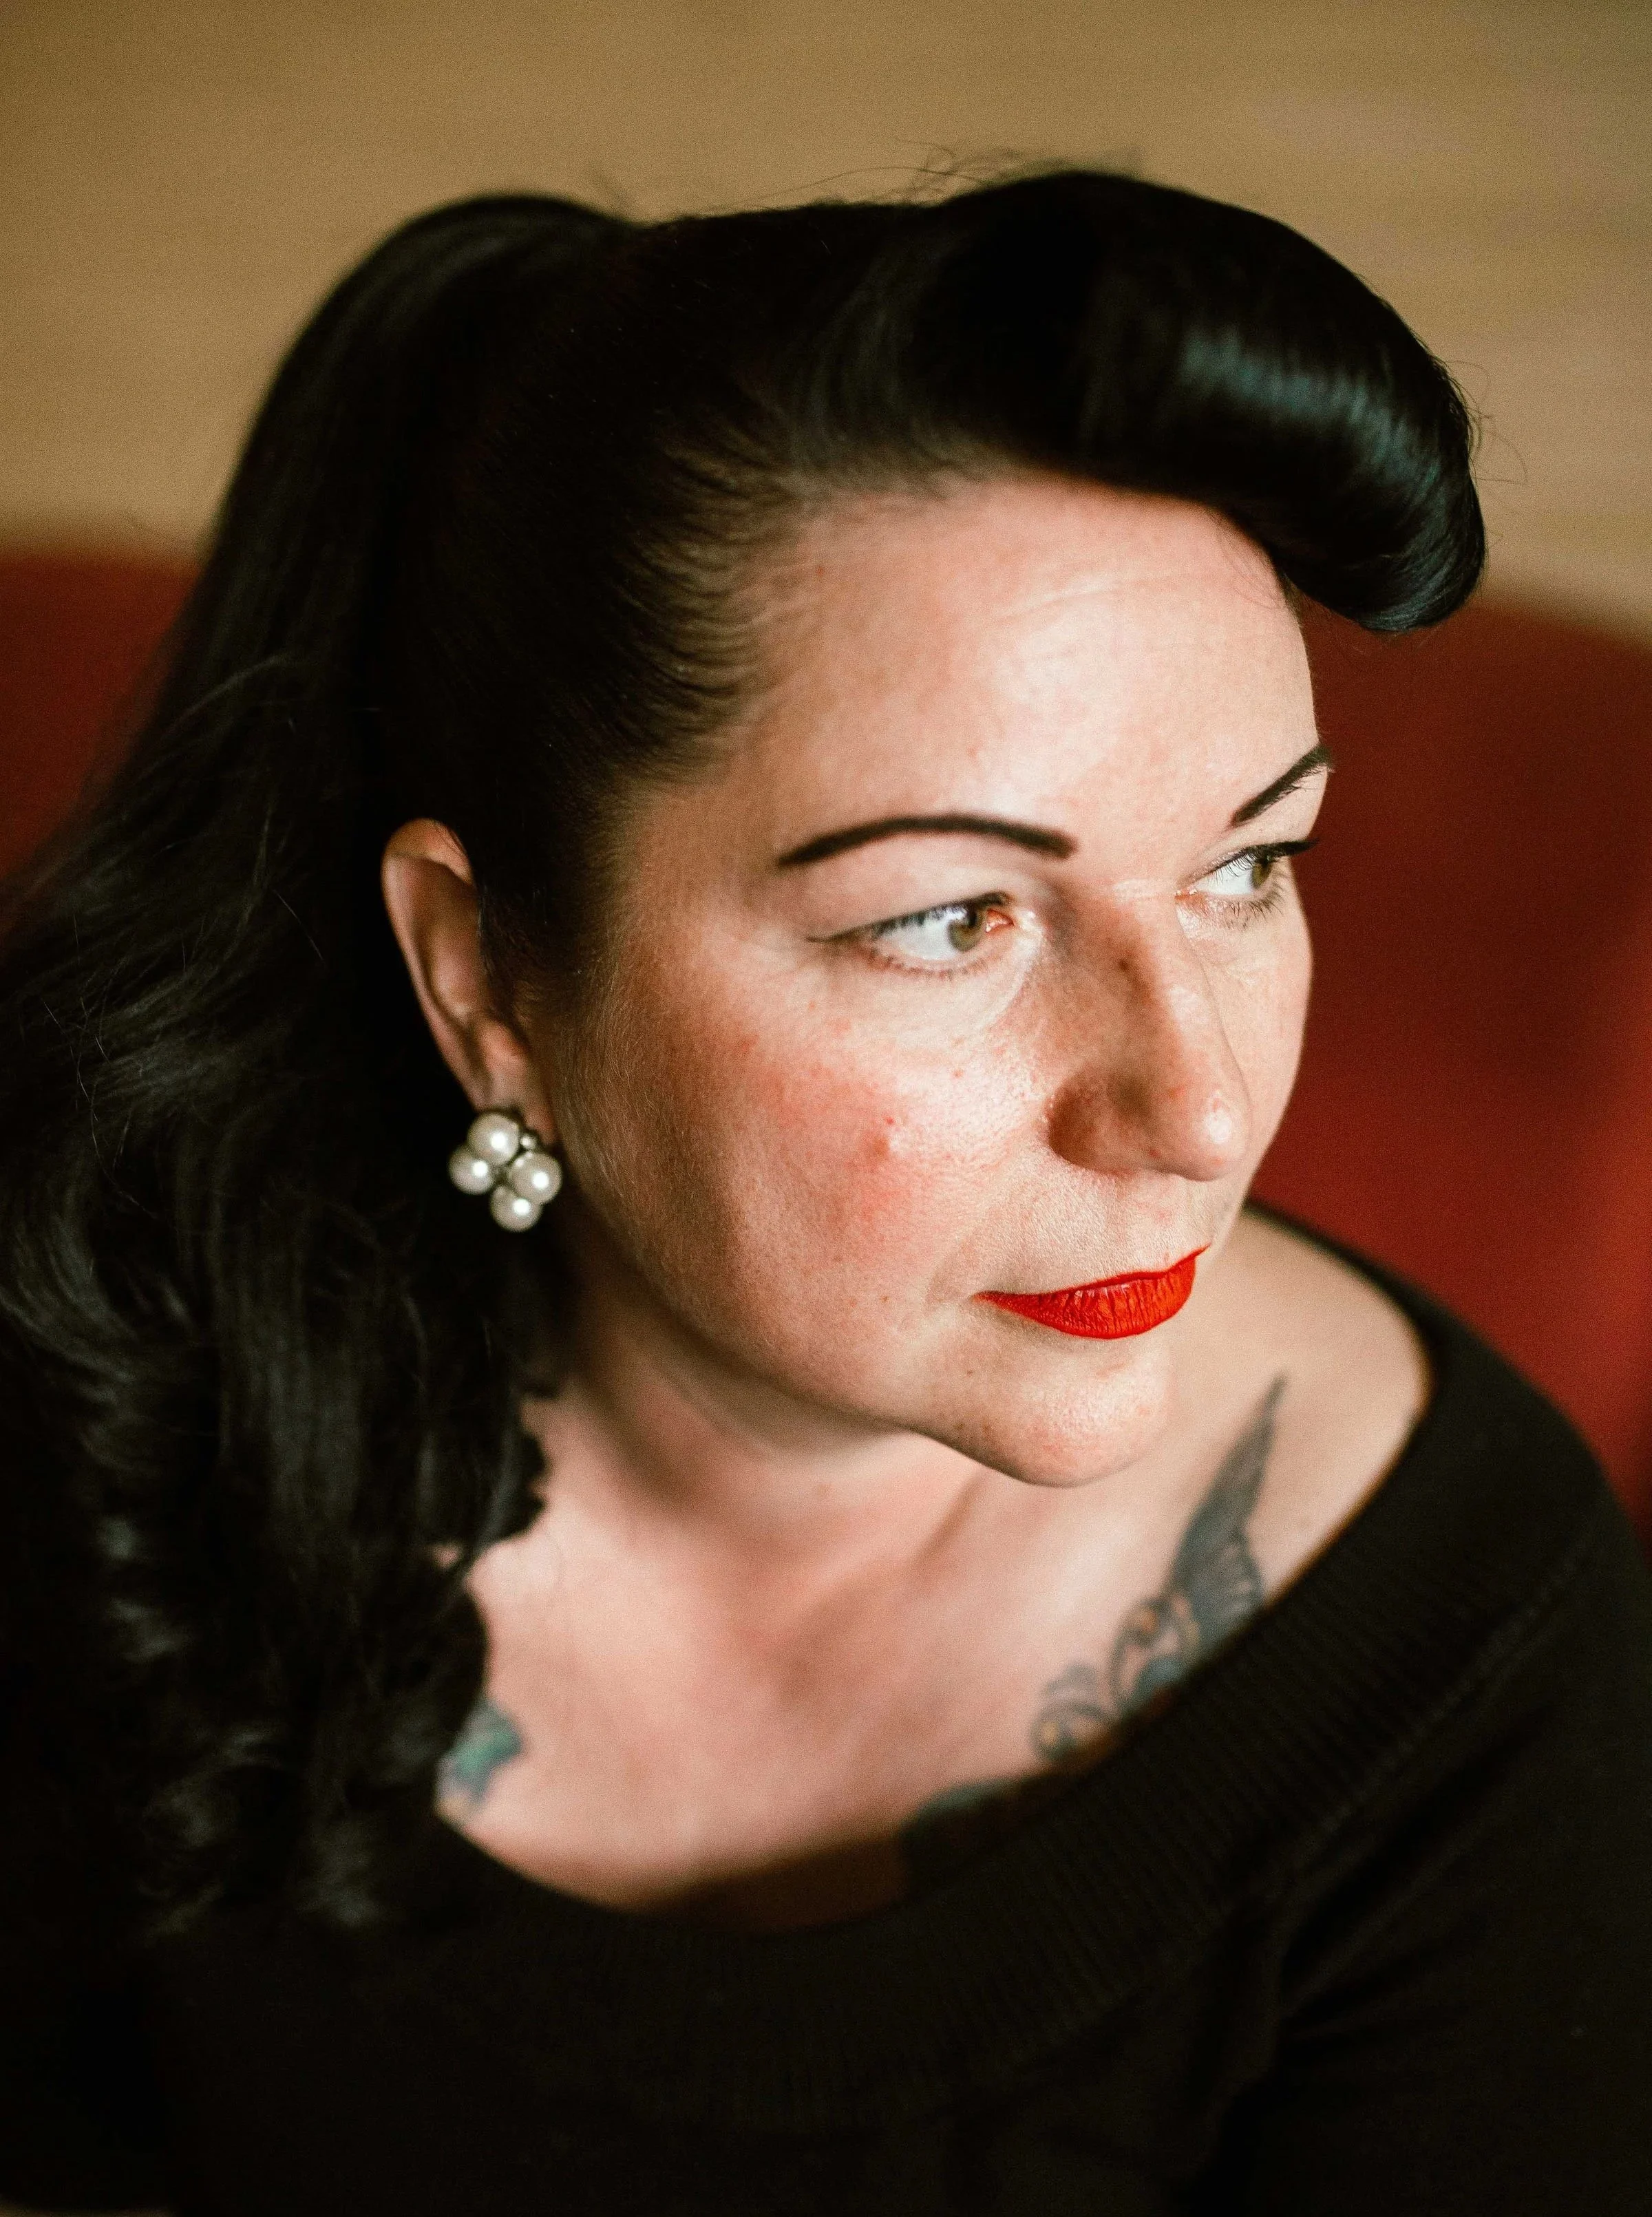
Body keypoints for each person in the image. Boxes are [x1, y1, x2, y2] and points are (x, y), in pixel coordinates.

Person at [1, 170, 1648, 2217]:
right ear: (487, 971)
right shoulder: (101, 1415)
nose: (1200, 1111)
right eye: (952, 917)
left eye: (1250, 867)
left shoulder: (1470, 1649)